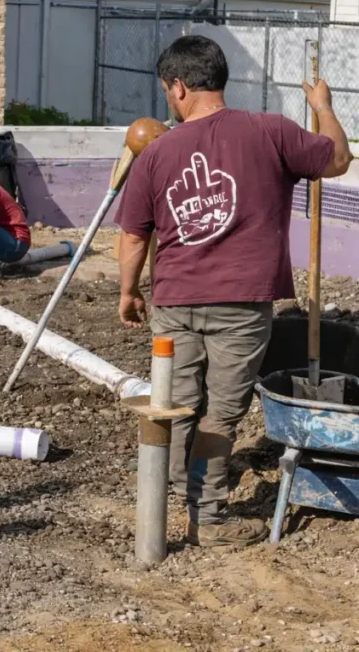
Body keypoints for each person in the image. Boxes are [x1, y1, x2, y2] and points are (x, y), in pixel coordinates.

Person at [115, 35, 353, 547]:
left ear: (179, 86)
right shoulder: (271, 131)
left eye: (166, 90)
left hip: (175, 302)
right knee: (221, 412)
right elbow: (337, 158)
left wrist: (128, 292)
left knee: (175, 401)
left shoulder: (157, 153)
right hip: (243, 305)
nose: (168, 99)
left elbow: (134, 235)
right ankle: (205, 515)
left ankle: (175, 487)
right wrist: (322, 106)